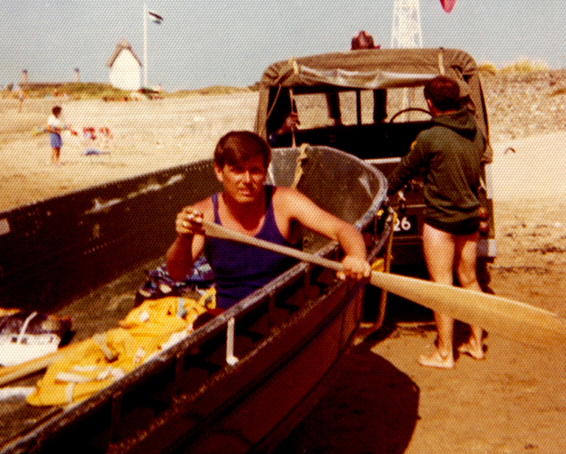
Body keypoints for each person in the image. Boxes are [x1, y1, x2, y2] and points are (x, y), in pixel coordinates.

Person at [166, 130, 371, 310]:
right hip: (230, 317)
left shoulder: (285, 202)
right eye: (237, 170)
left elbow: (342, 229)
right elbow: (176, 273)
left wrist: (356, 257)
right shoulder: (204, 213)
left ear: (265, 172)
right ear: (219, 172)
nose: (247, 180)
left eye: (255, 170)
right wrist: (182, 238)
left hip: (289, 312)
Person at [386, 76, 487, 368]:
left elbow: (403, 172)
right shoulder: (475, 133)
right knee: (469, 280)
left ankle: (444, 353)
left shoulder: (429, 137)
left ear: (429, 103)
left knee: (441, 285)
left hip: (441, 222)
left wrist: (381, 192)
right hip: (468, 218)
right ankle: (475, 344)